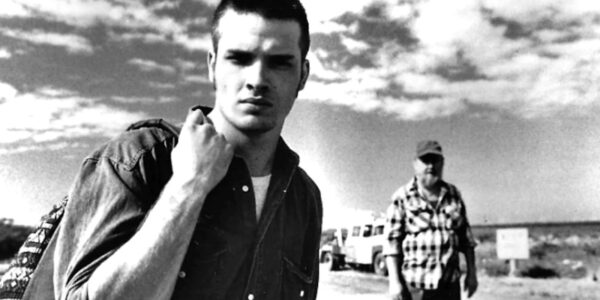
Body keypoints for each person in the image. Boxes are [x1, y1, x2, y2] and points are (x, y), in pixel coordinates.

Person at [25, 0, 322, 299]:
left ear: (303, 75)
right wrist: (189, 184)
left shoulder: (304, 197)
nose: (257, 80)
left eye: (280, 62)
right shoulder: (136, 160)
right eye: (239, 59)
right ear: (212, 66)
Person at [384, 140, 478, 300]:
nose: (430, 166)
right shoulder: (402, 197)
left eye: (435, 160)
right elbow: (392, 243)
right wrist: (394, 282)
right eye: (425, 160)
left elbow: (466, 240)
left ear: (442, 163)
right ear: (415, 164)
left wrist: (472, 274)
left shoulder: (453, 195)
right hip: (416, 288)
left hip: (449, 287)